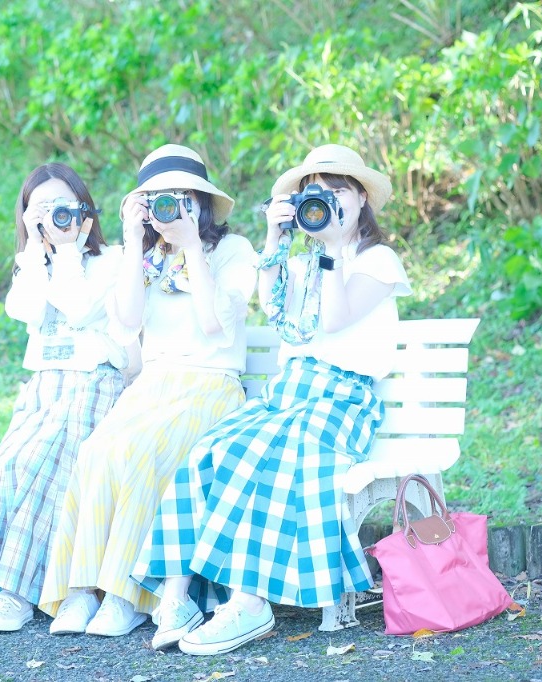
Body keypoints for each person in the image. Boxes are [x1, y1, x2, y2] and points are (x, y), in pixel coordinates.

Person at [133, 144, 412, 655]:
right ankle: (177, 599)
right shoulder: (303, 259)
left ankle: (249, 602)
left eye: (338, 192)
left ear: (362, 199)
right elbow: (272, 306)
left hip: (341, 399)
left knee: (273, 457)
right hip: (287, 393)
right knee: (211, 451)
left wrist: (329, 247)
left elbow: (335, 320)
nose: (327, 202)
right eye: (314, 195)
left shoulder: (378, 260)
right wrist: (275, 237)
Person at [38, 144, 258, 637]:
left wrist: (191, 246)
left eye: (181, 196)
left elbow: (213, 324)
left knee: (143, 451)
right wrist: (133, 240)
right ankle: (83, 590)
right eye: (158, 198)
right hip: (153, 385)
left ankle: (126, 595)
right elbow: (128, 321)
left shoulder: (232, 251)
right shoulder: (147, 256)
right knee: (97, 450)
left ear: (201, 201)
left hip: (209, 385)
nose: (170, 206)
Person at [0, 163, 130, 633]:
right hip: (44, 386)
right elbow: (23, 309)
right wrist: (38, 252)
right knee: (4, 469)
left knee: (45, 465)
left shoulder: (113, 260)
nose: (54, 215)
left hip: (94, 382)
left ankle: (14, 595)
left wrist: (68, 251)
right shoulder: (33, 265)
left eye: (63, 206)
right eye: (40, 208)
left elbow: (80, 310)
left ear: (84, 209)